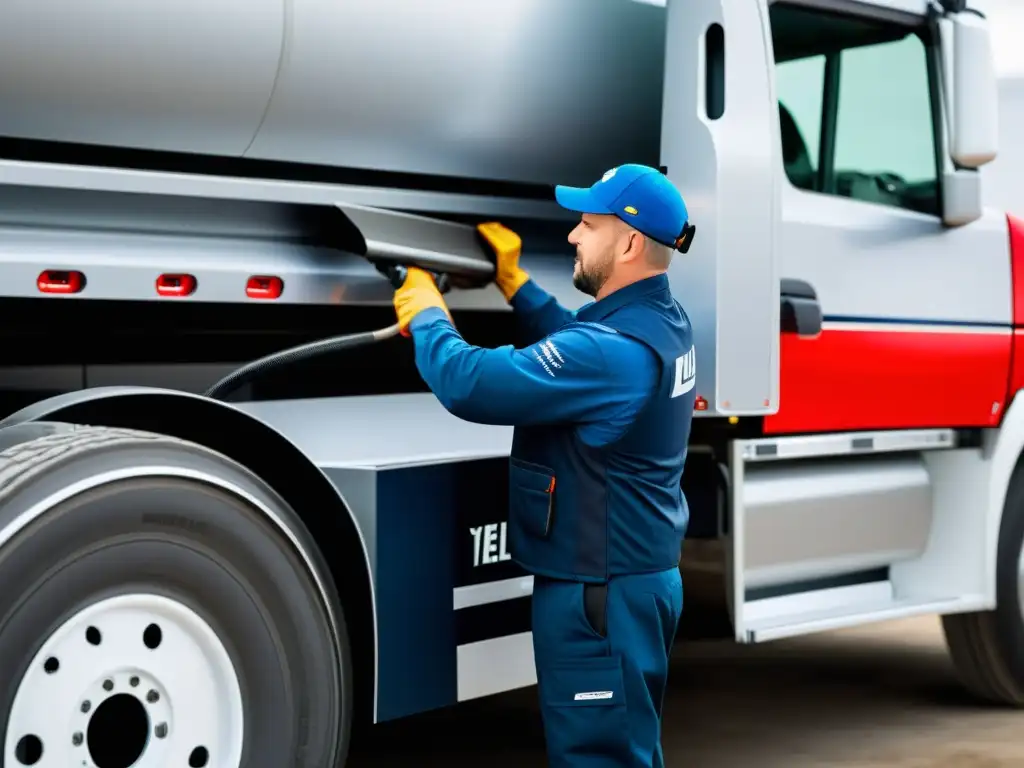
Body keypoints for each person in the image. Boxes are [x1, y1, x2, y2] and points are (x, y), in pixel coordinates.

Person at [392, 163, 697, 767]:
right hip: (631, 582)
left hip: (599, 596)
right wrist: (515, 286)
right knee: (628, 750)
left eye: (587, 224)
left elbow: (469, 382)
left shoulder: (613, 354)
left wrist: (426, 314)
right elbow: (575, 341)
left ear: (631, 242)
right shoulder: (661, 323)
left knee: (599, 758)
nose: (572, 236)